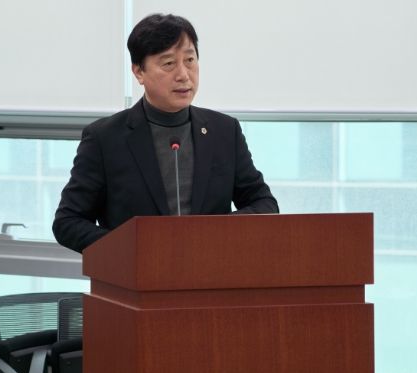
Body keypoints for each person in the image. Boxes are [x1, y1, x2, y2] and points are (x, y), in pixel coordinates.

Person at [53, 13, 279, 253]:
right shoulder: (105, 137)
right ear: (139, 72)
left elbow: (263, 203)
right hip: (136, 272)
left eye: (190, 60)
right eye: (169, 63)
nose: (183, 75)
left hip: (212, 268)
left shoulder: (224, 130)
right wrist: (131, 248)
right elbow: (68, 222)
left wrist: (217, 232)